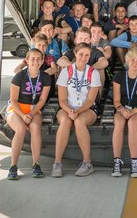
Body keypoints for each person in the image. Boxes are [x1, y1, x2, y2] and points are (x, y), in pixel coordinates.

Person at [53, 44, 101, 177]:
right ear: (75, 54)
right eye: (81, 54)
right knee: (65, 121)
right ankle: (57, 163)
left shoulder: (93, 72)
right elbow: (62, 100)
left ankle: (87, 163)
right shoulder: (66, 71)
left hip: (87, 108)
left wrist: (78, 111)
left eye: (87, 55)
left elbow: (90, 100)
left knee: (79, 121)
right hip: (67, 107)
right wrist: (70, 111)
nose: (84, 57)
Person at [5, 48, 52, 180]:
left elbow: (42, 100)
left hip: (34, 109)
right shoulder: (19, 76)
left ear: (42, 61)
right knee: (20, 129)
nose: (36, 62)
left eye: (38, 59)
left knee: (35, 128)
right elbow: (13, 100)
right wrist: (22, 115)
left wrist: (31, 114)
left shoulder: (45, 77)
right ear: (27, 60)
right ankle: (13, 166)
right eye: (32, 59)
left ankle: (36, 164)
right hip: (17, 109)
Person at [111, 47, 137, 178]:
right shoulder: (119, 76)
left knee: (132, 123)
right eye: (132, 60)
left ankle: (134, 163)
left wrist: (133, 111)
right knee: (119, 123)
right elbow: (116, 100)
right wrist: (122, 110)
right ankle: (117, 162)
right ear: (127, 61)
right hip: (122, 109)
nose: (135, 63)